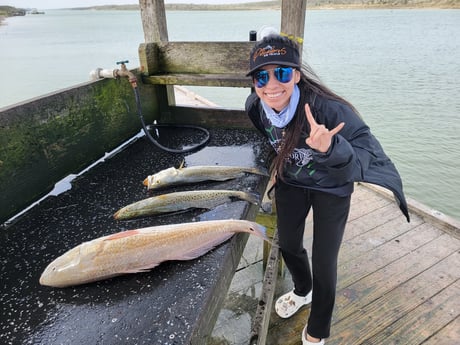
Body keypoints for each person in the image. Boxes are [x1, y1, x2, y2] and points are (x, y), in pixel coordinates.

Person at [245, 34, 410, 345]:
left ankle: (318, 330)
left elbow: (368, 152)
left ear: (295, 74)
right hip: (292, 183)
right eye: (261, 76)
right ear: (254, 82)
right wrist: (278, 167)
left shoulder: (329, 110)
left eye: (281, 73)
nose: (271, 85)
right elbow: (269, 139)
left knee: (324, 260)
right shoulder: (255, 106)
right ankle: (302, 290)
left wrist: (331, 146)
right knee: (289, 244)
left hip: (331, 189)